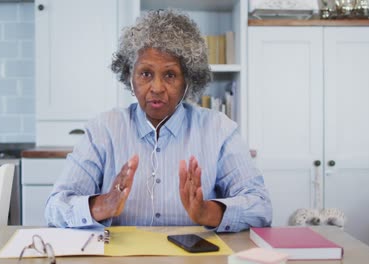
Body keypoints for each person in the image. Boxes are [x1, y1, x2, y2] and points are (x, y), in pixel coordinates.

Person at [45, 9, 272, 232]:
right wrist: (104, 204)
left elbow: (261, 207)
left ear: (188, 80)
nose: (156, 88)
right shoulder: (103, 130)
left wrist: (206, 211)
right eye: (145, 74)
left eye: (170, 75)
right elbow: (55, 208)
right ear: (129, 77)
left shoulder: (218, 129)